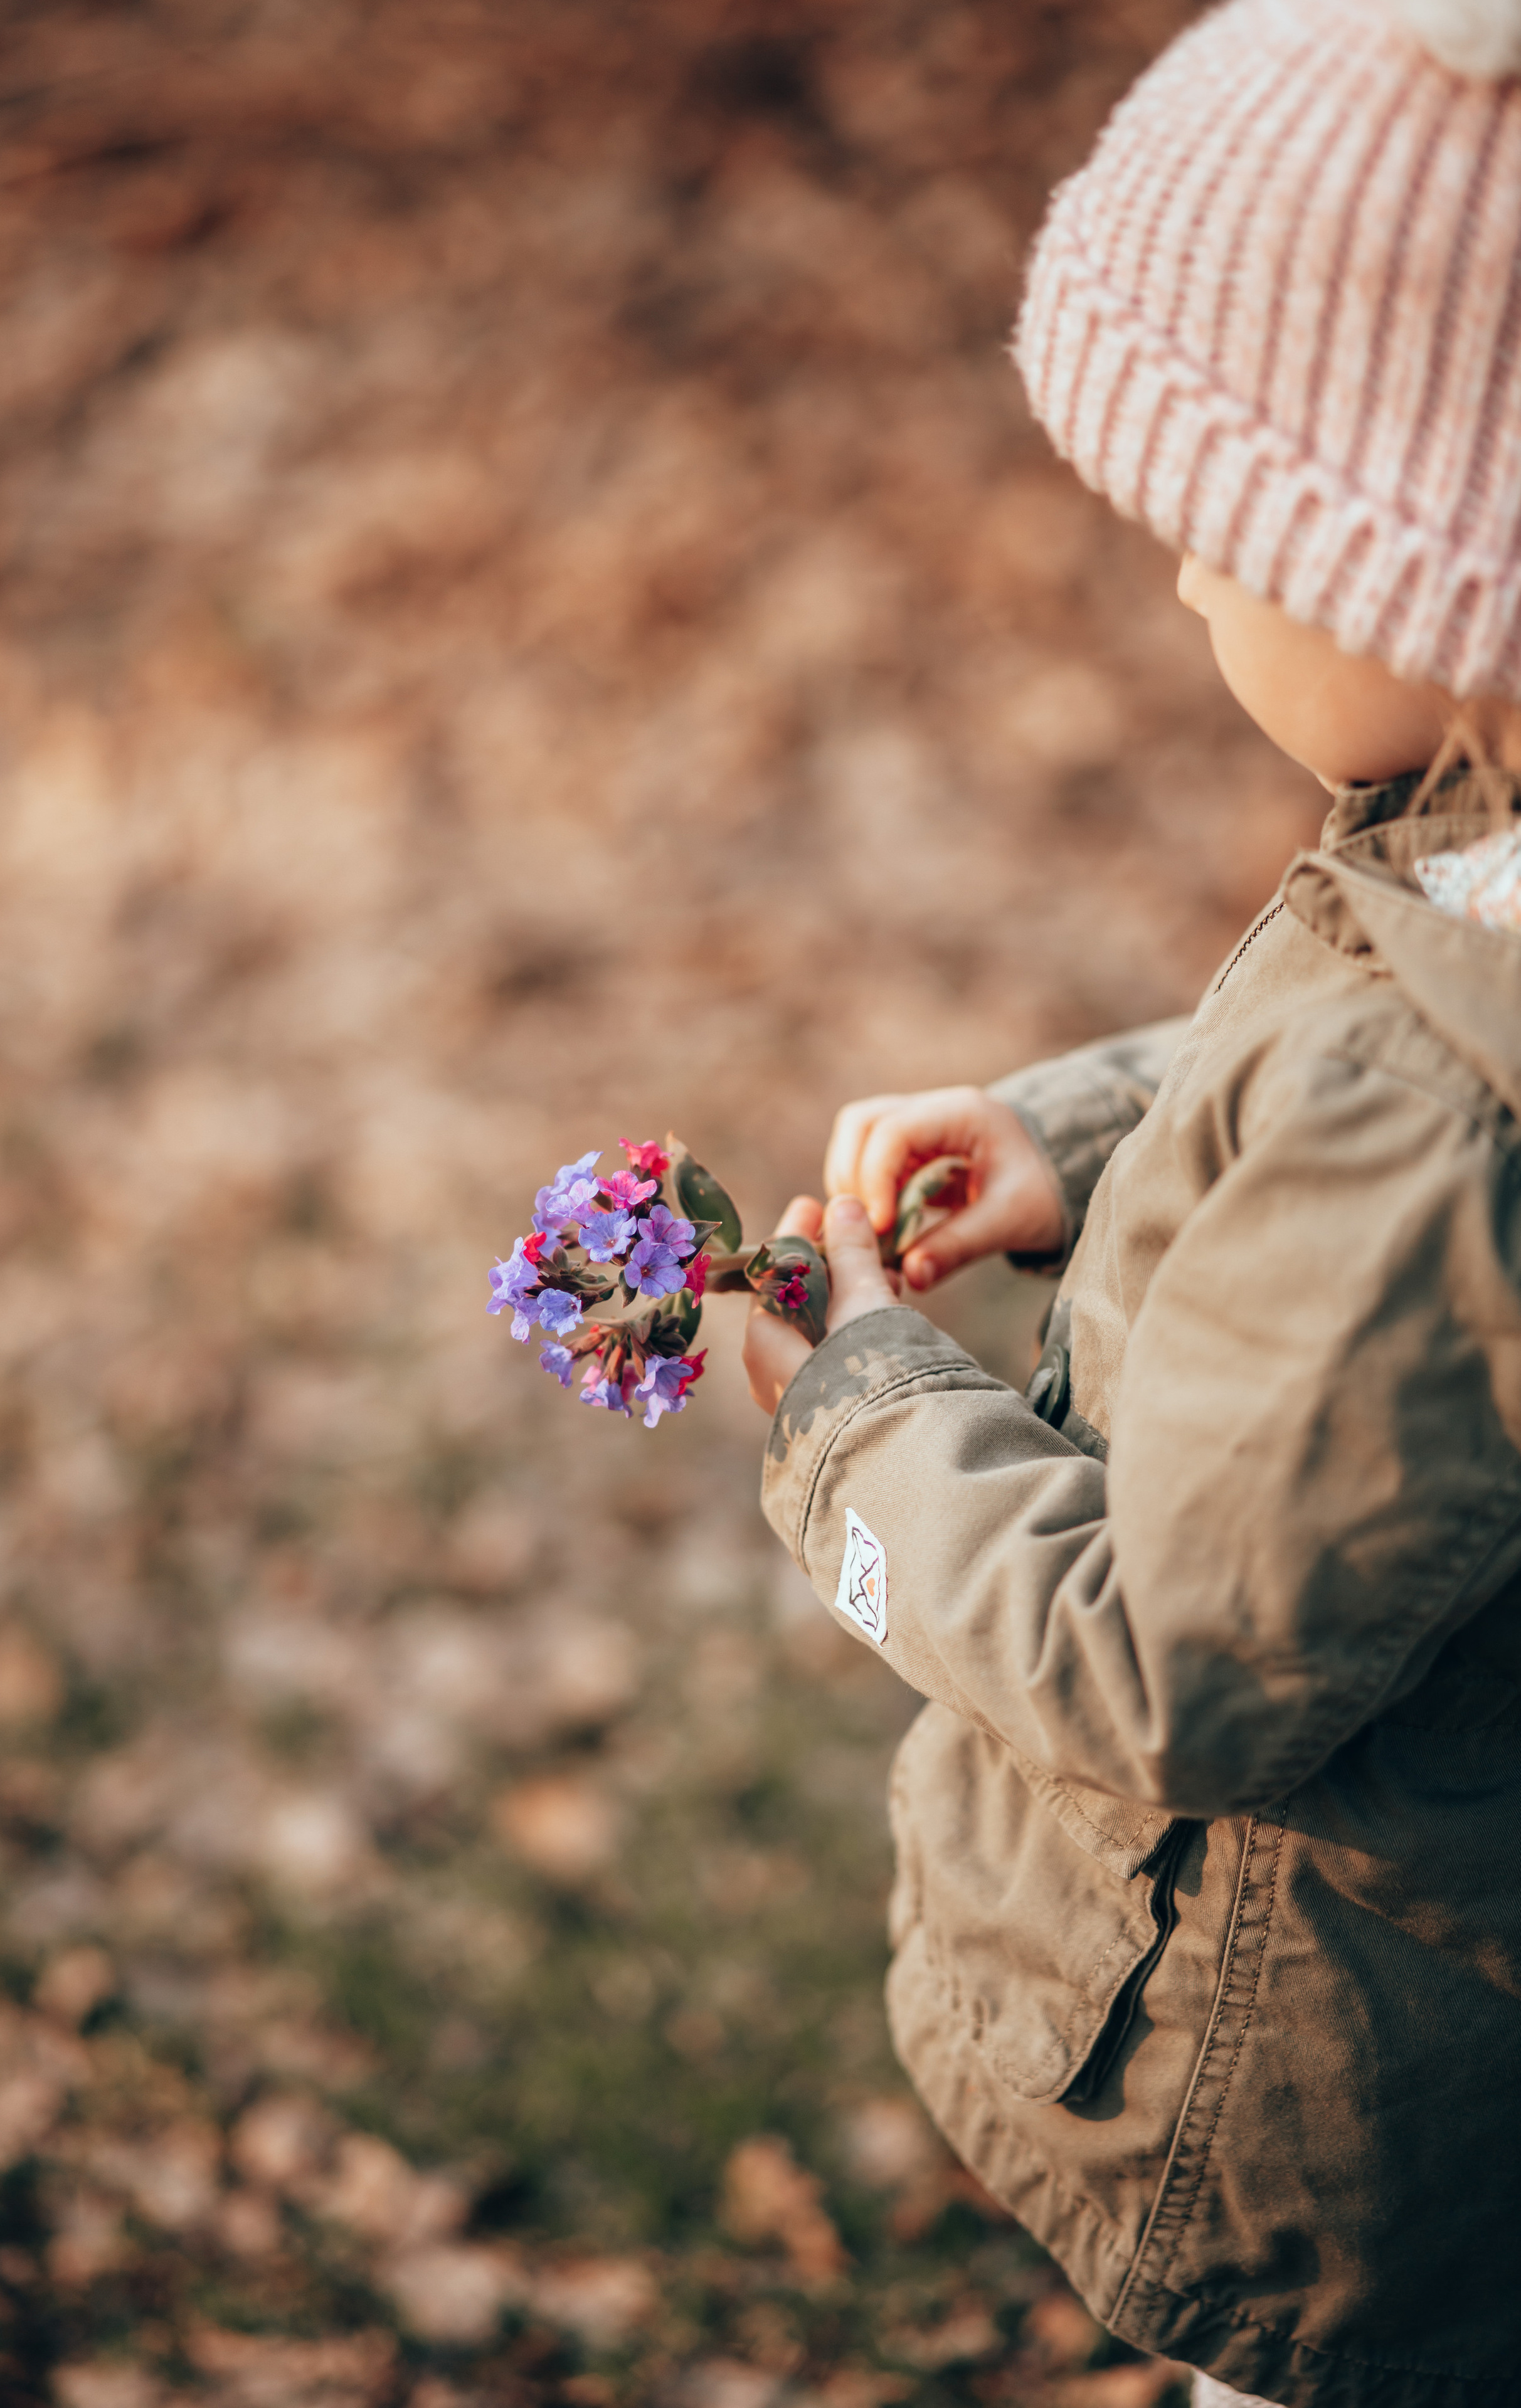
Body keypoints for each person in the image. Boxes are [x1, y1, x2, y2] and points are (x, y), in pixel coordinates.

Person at [741, 4, 1521, 2404]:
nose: (1190, 581)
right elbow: (1381, 1079)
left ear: (1451, 578)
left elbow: (1161, 1667)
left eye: (1243, 526)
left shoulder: (1441, 1100)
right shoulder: (1478, 907)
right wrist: (1093, 1131)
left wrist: (851, 1418)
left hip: (1344, 2122)